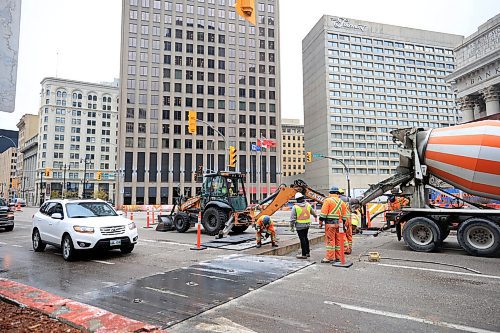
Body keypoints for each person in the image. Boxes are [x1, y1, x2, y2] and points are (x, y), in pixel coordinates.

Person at [319, 186, 347, 263]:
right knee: (338, 240)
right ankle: (338, 257)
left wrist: (320, 222)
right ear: (337, 193)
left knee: (330, 240)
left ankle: (330, 257)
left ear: (330, 193)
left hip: (330, 224)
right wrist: (343, 224)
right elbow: (344, 216)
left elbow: (323, 214)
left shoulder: (328, 200)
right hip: (339, 224)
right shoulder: (342, 202)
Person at [290, 192, 317, 259]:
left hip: (299, 226)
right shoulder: (308, 205)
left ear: (296, 199)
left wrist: (292, 226)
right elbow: (313, 212)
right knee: (306, 238)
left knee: (302, 239)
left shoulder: (295, 207)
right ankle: (307, 252)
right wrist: (315, 216)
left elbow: (292, 218)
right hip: (307, 225)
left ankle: (304, 254)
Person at [338, 188, 352, 255]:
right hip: (349, 218)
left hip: (343, 218)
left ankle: (346, 249)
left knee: (343, 234)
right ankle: (350, 247)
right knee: (349, 234)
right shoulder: (348, 199)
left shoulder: (338, 200)